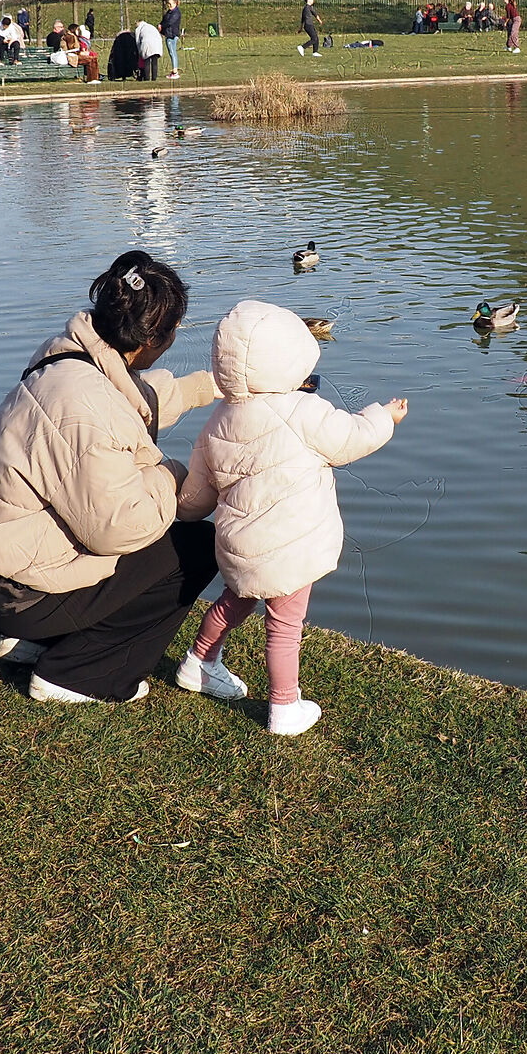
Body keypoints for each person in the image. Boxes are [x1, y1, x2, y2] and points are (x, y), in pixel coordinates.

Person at [0, 251, 222, 705]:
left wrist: (211, 386)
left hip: (0, 567)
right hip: (17, 593)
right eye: (174, 330)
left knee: (150, 522)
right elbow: (122, 528)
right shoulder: (85, 408)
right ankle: (78, 673)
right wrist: (172, 476)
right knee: (193, 547)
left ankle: (41, 641)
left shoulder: (70, 357)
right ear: (154, 338)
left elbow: (136, 401)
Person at [174, 301, 406, 736]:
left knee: (234, 600)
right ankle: (284, 707)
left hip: (240, 545)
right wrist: (384, 416)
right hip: (291, 544)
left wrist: (174, 495)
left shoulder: (217, 421)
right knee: (284, 624)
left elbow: (195, 501)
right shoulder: (303, 411)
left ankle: (199, 661)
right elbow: (352, 438)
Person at [134, 12, 165, 82]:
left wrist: (140, 52)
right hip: (157, 44)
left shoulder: (139, 29)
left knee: (147, 61)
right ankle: (154, 78)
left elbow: (137, 41)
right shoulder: (151, 26)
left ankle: (147, 78)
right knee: (155, 62)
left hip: (147, 44)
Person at [160, 0, 183, 79]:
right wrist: (160, 25)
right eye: (168, 4)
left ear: (175, 4)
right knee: (171, 53)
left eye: (170, 4)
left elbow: (170, 22)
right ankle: (174, 70)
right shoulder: (169, 12)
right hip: (168, 34)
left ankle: (175, 72)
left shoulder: (176, 13)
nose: (168, 5)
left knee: (172, 53)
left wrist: (162, 26)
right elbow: (164, 20)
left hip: (172, 35)